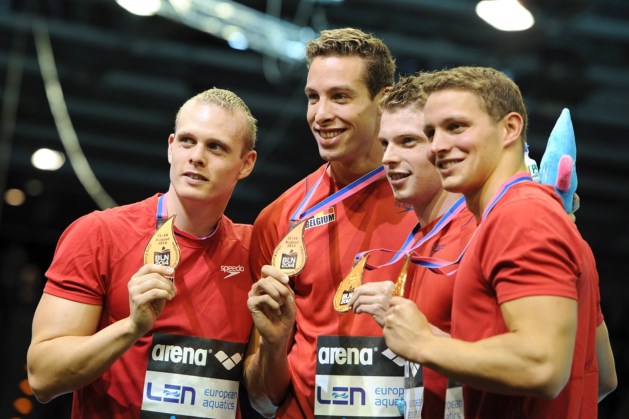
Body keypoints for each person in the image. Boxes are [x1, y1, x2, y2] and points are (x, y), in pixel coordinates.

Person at [381, 66, 617, 418]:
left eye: (456, 127)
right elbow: (603, 377)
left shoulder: (520, 217)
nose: (439, 146)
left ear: (510, 128)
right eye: (431, 132)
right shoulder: (530, 215)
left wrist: (423, 342)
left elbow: (542, 366)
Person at [27, 88, 258, 419]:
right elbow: (43, 377)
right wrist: (132, 326)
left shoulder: (255, 250)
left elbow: (267, 393)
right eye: (187, 141)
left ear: (246, 164)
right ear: (170, 148)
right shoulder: (99, 234)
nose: (196, 156)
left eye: (216, 147)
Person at [244, 28, 418, 418]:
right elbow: (262, 400)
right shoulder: (280, 218)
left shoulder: (439, 202)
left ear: (384, 101)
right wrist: (273, 346)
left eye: (340, 97)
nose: (321, 115)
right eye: (313, 98)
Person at [349, 74, 476, 419]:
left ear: (441, 145)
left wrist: (422, 335)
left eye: (407, 141)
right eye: (385, 143)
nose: (388, 158)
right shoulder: (422, 238)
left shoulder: (481, 232)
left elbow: (529, 367)